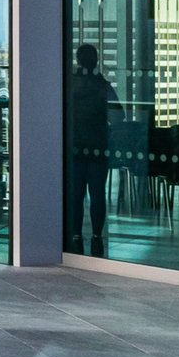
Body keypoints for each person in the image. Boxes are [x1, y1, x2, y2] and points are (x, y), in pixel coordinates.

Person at [66, 44, 116, 256]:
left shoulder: (68, 85)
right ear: (96, 60)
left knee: (76, 194)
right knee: (97, 194)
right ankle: (96, 236)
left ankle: (75, 234)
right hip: (97, 147)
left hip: (74, 147)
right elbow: (118, 115)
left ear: (78, 60)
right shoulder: (103, 86)